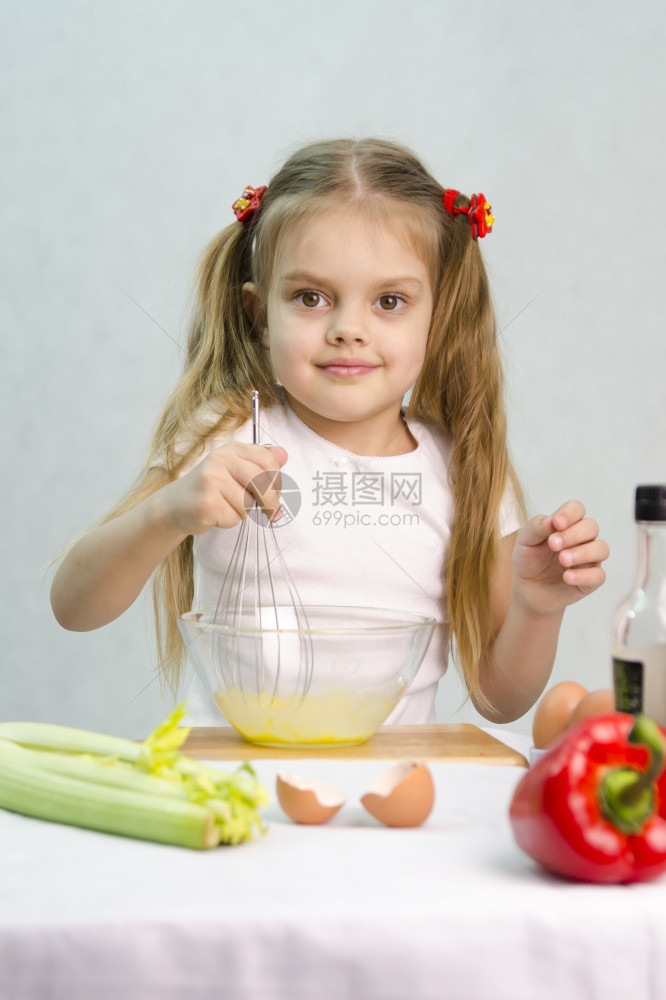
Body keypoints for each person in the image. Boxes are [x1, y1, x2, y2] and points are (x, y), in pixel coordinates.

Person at [50, 138, 609, 726]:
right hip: (239, 789)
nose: (348, 329)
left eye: (389, 301)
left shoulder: (465, 476)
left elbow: (500, 700)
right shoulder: (224, 439)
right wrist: (168, 513)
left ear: (437, 318)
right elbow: (74, 606)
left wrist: (538, 607)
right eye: (310, 297)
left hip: (382, 803)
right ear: (260, 315)